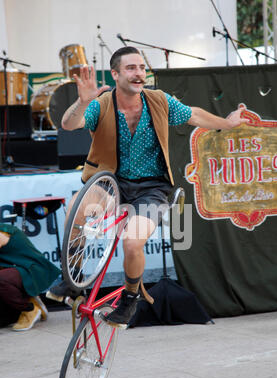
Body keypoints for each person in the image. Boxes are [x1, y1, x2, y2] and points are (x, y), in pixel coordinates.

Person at [47, 46, 247, 329]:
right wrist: (82, 102)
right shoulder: (101, 104)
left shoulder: (158, 100)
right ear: (115, 74)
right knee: (76, 210)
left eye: (141, 68)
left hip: (151, 188)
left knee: (131, 242)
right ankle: (73, 277)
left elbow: (194, 115)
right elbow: (69, 124)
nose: (138, 73)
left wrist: (227, 124)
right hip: (110, 181)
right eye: (131, 68)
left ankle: (130, 299)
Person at [0, 223, 60, 331]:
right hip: (16, 271)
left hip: (32, 270)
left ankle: (29, 309)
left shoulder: (2, 232)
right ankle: (31, 300)